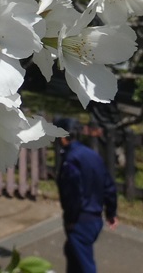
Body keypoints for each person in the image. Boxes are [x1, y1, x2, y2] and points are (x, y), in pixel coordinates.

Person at [54, 117, 118, 273]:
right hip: (96, 219)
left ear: (63, 137)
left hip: (80, 221)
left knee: (85, 265)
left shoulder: (70, 160)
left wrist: (70, 219)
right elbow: (109, 186)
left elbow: (72, 194)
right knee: (72, 253)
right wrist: (111, 213)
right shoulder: (93, 156)